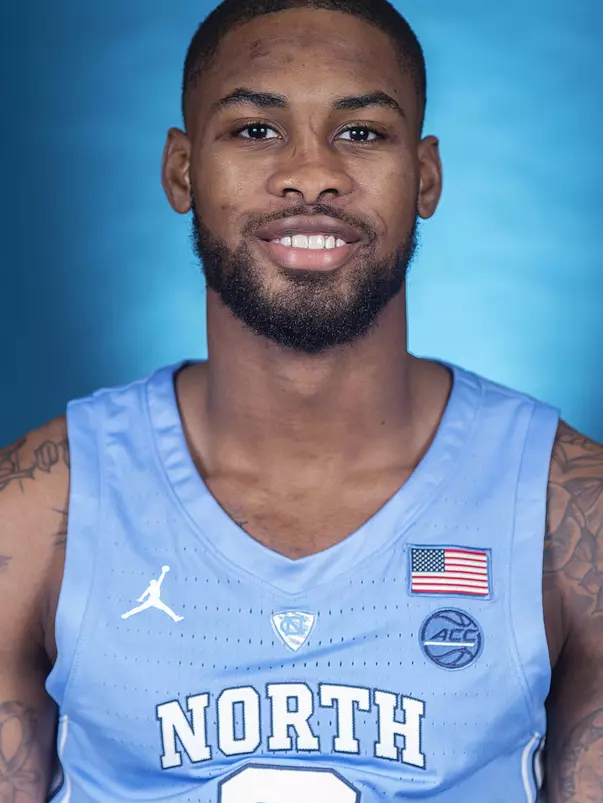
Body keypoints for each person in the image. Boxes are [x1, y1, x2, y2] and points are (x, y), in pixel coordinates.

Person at [0, 0, 601, 800]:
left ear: (424, 177)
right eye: (255, 129)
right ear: (182, 170)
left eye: (360, 133)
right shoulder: (38, 510)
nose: (311, 174)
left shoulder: (568, 515)